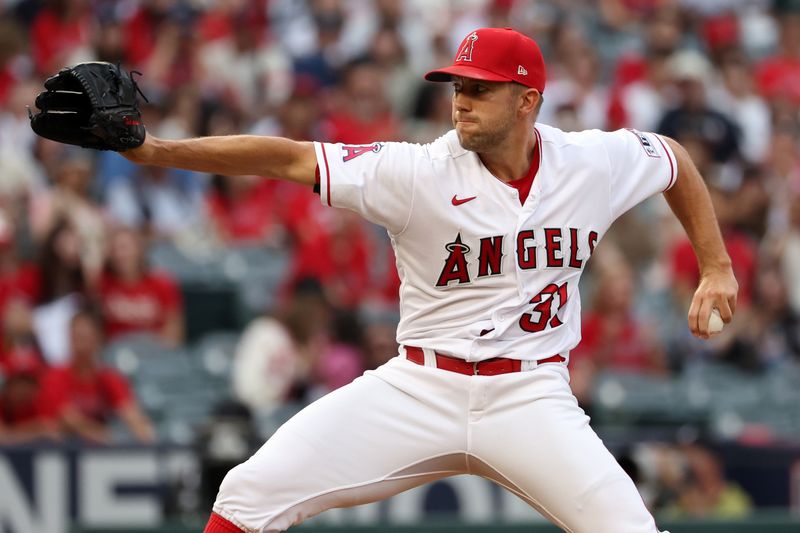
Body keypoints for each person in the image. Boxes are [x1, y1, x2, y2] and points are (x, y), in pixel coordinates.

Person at [118, 27, 737, 533]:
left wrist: (717, 266)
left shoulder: (589, 162)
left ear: (527, 100)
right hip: (421, 385)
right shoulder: (415, 172)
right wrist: (157, 150)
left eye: (480, 88)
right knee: (248, 492)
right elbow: (288, 156)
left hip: (532, 396)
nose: (461, 100)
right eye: (456, 86)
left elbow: (674, 161)